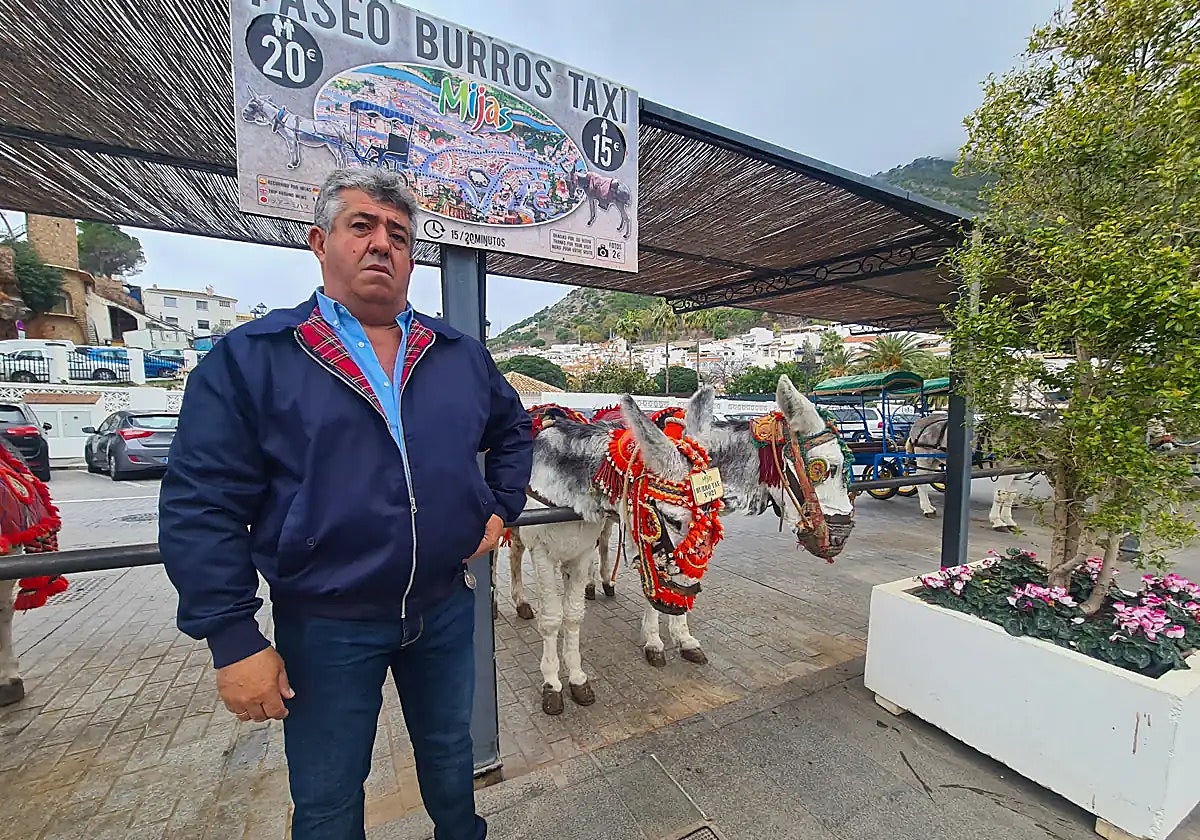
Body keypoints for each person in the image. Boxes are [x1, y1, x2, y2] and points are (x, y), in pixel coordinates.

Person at [158, 168, 532, 840]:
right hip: (325, 624)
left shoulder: (457, 356)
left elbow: (513, 430)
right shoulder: (256, 357)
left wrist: (502, 507)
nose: (381, 245)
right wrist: (233, 637)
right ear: (319, 242)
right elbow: (200, 502)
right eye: (361, 227)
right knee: (329, 797)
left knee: (452, 763)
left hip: (444, 608)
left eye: (398, 235)